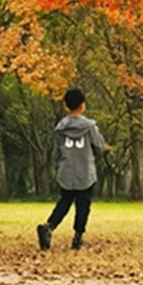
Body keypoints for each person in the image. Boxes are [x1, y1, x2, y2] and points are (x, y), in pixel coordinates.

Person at [37, 87, 104, 251]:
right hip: (85, 172)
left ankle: (49, 226)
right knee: (83, 205)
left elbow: (56, 151)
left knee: (64, 202)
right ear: (82, 105)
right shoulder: (90, 127)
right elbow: (99, 146)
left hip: (66, 171)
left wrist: (56, 167)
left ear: (66, 106)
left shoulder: (60, 128)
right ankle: (77, 237)